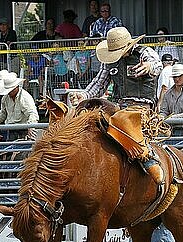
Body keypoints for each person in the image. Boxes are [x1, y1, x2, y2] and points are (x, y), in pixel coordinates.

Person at [68, 26, 163, 184]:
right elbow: (99, 84)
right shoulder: (110, 61)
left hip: (141, 108)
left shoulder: (144, 52)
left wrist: (149, 67)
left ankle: (148, 157)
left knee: (124, 124)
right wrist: (83, 95)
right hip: (118, 107)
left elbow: (157, 65)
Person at [0, 72, 39, 142]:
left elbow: (32, 113)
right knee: (10, 149)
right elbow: (3, 113)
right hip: (11, 129)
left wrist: (31, 126)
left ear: (16, 87)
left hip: (23, 129)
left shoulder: (24, 97)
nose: (9, 92)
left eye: (10, 90)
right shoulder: (5, 98)